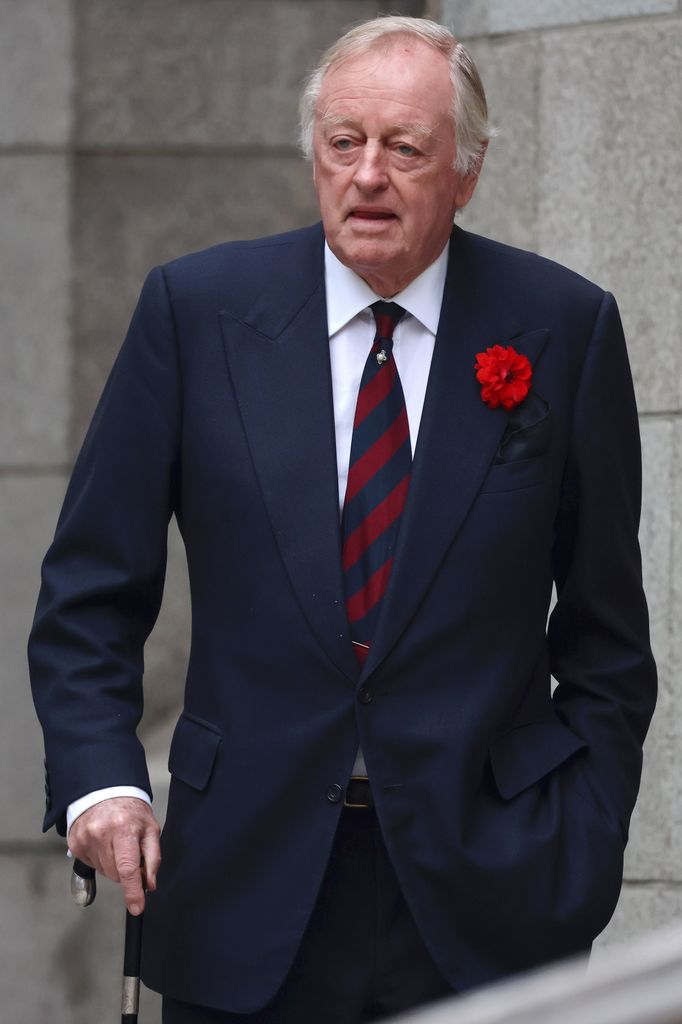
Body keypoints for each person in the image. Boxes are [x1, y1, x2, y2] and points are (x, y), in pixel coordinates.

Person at [28, 15, 657, 1024]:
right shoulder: (196, 314)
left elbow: (606, 637)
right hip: (238, 887)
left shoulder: (564, 326)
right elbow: (89, 595)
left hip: (487, 897)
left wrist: (577, 842)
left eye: (405, 148)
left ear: (467, 172)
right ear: (313, 156)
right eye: (343, 143)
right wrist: (102, 783)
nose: (368, 175)